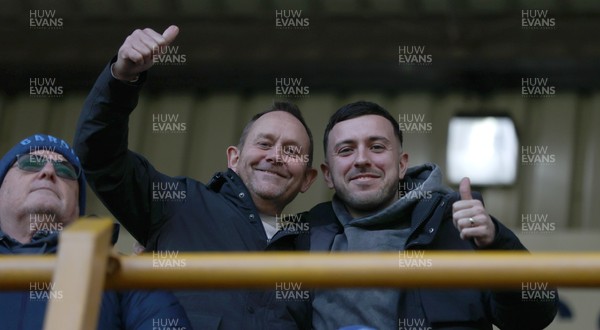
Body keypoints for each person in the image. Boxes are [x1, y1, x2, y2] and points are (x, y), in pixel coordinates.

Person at [73, 25, 318, 329]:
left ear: (308, 179)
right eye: (264, 143)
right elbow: (99, 156)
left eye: (291, 150)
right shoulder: (178, 204)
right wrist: (122, 78)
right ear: (234, 158)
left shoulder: (316, 243)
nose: (276, 155)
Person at [308, 101, 558, 330]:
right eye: (345, 150)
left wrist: (497, 244)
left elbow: (534, 317)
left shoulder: (459, 226)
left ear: (402, 164)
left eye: (376, 147)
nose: (361, 159)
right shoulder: (305, 238)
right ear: (328, 174)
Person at [0, 133, 191, 329]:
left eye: (64, 169)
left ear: (76, 207)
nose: (49, 171)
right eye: (31, 163)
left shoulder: (121, 275)